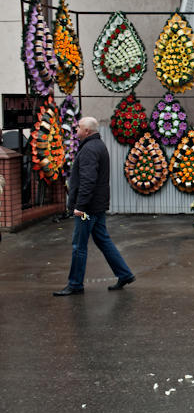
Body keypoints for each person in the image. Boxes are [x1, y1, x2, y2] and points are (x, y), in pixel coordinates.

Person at [54, 117, 136, 296]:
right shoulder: (98, 146)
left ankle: (75, 284)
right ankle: (125, 274)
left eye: (79, 128)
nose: (76, 131)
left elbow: (88, 180)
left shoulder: (90, 149)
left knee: (79, 245)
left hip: (88, 209)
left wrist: (80, 206)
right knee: (102, 240)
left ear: (87, 131)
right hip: (96, 206)